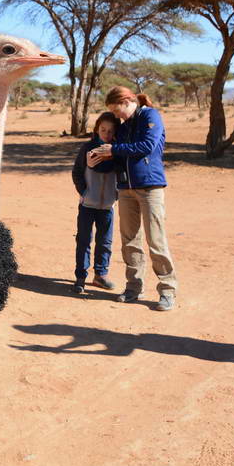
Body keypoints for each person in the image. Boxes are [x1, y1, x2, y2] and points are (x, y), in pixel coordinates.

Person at [88, 86, 177, 311]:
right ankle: (133, 287)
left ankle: (167, 290)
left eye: (117, 110)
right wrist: (98, 160)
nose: (116, 116)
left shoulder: (150, 115)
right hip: (125, 189)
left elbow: (147, 146)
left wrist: (114, 150)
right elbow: (120, 157)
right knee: (129, 241)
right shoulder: (124, 126)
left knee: (156, 240)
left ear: (127, 101)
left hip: (150, 187)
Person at [71, 111, 120, 294]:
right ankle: (80, 277)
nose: (106, 134)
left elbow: (121, 174)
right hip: (87, 205)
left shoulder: (117, 151)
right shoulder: (88, 148)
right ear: (97, 129)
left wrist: (116, 196)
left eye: (110, 131)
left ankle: (101, 275)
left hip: (108, 206)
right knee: (83, 240)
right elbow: (77, 172)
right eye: (103, 129)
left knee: (105, 242)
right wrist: (84, 191)